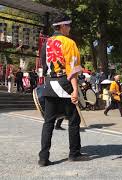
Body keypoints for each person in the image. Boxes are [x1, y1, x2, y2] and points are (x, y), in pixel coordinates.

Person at [38, 14, 89, 167]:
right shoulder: (69, 43)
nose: (69, 28)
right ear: (62, 26)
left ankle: (43, 158)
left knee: (48, 122)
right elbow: (72, 70)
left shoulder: (46, 43)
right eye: (68, 25)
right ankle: (74, 154)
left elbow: (43, 65)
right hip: (64, 83)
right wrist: (75, 90)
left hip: (49, 84)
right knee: (74, 119)